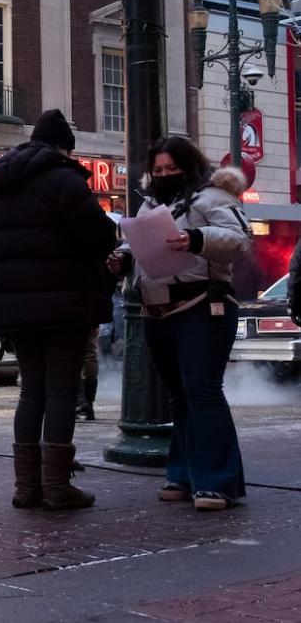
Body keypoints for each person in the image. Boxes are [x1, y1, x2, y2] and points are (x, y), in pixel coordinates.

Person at [0, 109, 117, 511]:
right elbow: (99, 235)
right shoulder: (64, 181)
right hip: (64, 305)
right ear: (62, 148)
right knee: (60, 391)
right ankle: (56, 486)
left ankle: (26, 487)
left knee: (31, 392)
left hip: (14, 310)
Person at [109, 136, 251, 511]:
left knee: (201, 391)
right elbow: (137, 245)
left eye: (172, 169)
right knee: (181, 396)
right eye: (158, 170)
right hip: (158, 309)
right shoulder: (151, 205)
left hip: (204, 303)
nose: (165, 175)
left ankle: (217, 481)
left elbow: (239, 240)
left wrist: (195, 238)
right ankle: (186, 474)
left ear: (188, 167)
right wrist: (123, 258)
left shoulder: (214, 197)